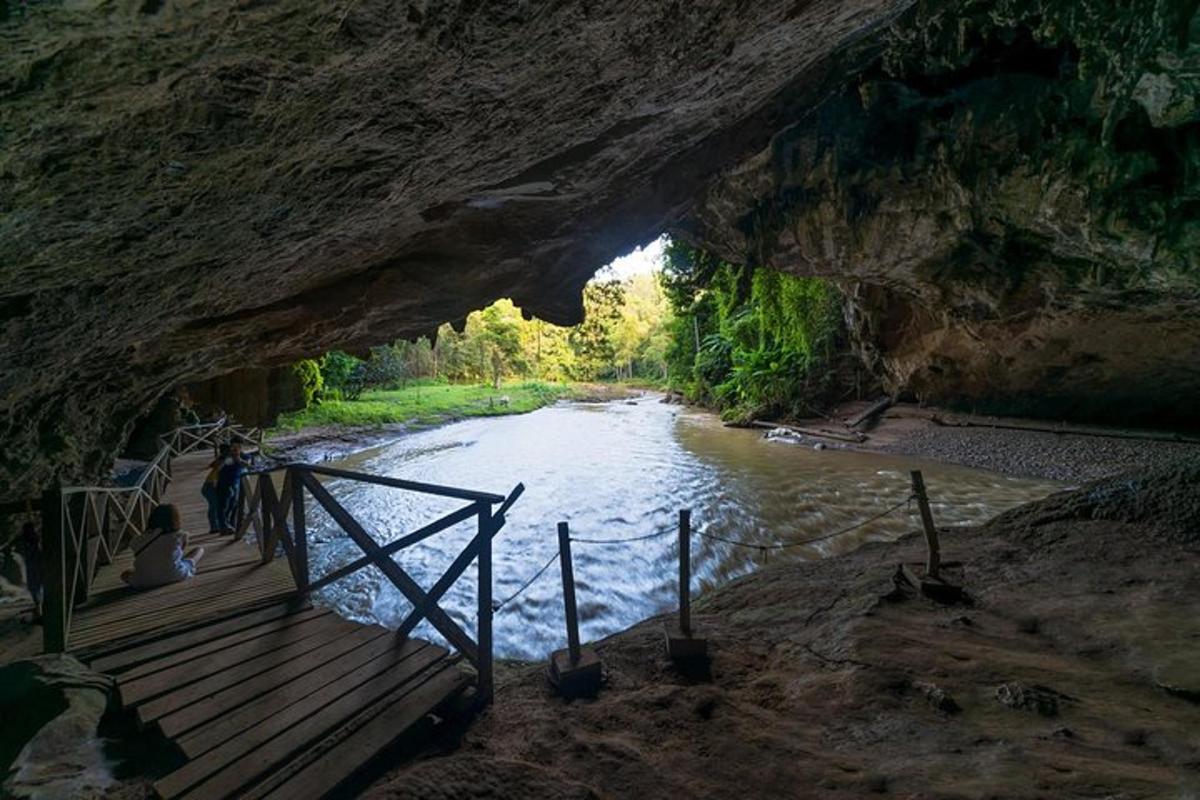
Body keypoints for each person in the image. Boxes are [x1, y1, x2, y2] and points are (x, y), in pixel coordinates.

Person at [121, 504, 203, 588]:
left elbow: (134, 548)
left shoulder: (138, 539)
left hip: (144, 581)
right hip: (175, 575)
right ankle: (182, 563)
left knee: (125, 574)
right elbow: (181, 549)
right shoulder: (179, 535)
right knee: (199, 550)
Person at [216, 441, 251, 534]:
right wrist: (225, 462)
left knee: (234, 505)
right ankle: (223, 526)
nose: (234, 451)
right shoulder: (225, 458)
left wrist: (239, 460)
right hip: (224, 484)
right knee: (224, 506)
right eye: (232, 449)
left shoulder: (243, 456)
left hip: (236, 484)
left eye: (236, 449)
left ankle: (232, 524)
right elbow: (218, 468)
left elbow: (248, 464)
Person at [200, 444, 230, 534]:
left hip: (212, 485)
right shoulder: (223, 461)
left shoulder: (222, 460)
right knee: (214, 505)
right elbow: (216, 466)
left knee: (217, 505)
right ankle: (214, 527)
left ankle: (218, 525)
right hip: (209, 486)